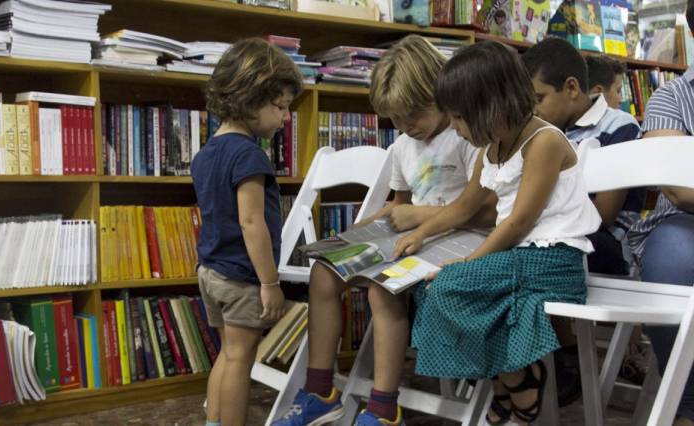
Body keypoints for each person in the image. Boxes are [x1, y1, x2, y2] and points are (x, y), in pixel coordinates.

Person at [272, 34, 491, 426]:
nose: (407, 126)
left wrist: (416, 216)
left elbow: (487, 210)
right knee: (324, 271)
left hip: (462, 238)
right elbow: (401, 204)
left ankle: (384, 408)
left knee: (382, 283)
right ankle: (321, 390)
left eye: (415, 114)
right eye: (397, 118)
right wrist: (370, 224)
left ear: (442, 94)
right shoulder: (403, 146)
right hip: (417, 237)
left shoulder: (465, 135)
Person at [393, 41, 601, 425]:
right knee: (432, 288)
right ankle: (511, 378)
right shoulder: (493, 147)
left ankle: (517, 378)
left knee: (451, 283)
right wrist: (423, 232)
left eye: (458, 118)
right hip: (519, 257)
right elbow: (464, 208)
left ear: (492, 105)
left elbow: (519, 222)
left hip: (555, 260)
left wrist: (469, 261)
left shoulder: (545, 141)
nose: (454, 128)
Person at [522, 37, 643, 405]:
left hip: (607, 243)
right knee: (524, 247)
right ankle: (539, 358)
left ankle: (562, 355)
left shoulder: (620, 127)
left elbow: (601, 216)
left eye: (539, 99)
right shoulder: (542, 132)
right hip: (557, 236)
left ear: (572, 87)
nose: (534, 111)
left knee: (537, 252)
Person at [190, 38, 303, 426]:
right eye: (281, 107)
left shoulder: (207, 153)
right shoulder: (249, 155)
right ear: (251, 97)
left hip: (211, 272)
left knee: (226, 352)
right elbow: (251, 222)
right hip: (241, 277)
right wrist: (270, 282)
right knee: (242, 357)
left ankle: (214, 421)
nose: (285, 118)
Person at [627, 1, 694, 424]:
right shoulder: (671, 97)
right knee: (673, 258)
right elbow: (680, 190)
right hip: (682, 224)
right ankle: (688, 406)